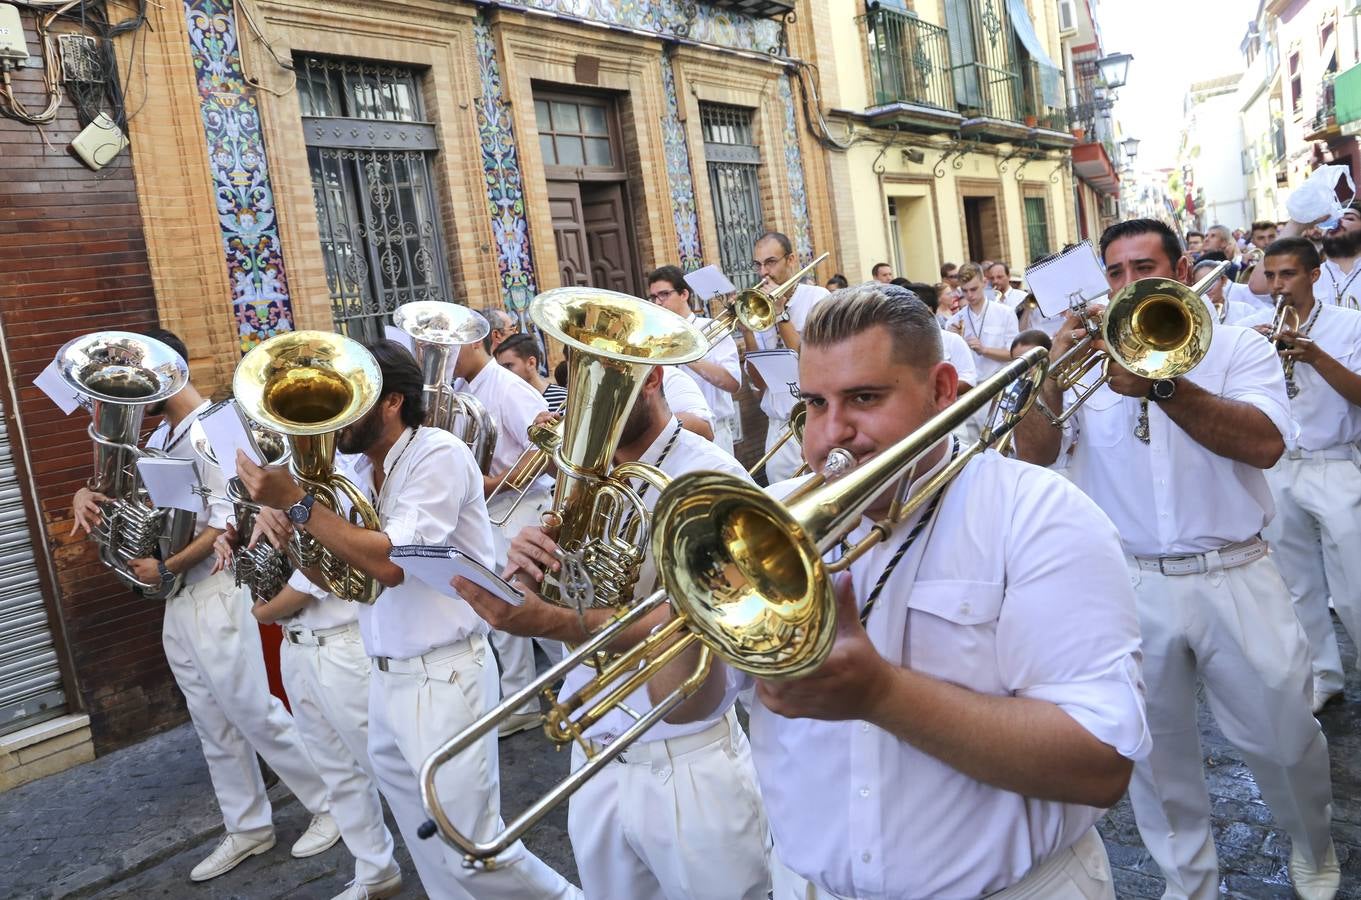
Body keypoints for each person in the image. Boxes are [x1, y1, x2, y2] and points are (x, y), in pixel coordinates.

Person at [648, 283, 1150, 899]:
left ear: (941, 391)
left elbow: (1099, 766)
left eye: (864, 398)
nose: (833, 433)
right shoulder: (757, 523)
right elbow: (684, 707)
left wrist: (881, 694)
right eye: (814, 403)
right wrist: (691, 592)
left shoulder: (1039, 515)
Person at [1014, 219, 1339, 900]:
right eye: (1115, 273)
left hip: (1236, 571)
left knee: (1285, 739)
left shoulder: (1236, 349)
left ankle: (1311, 842)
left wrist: (1164, 386)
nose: (1128, 285)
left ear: (1183, 268)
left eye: (1143, 268)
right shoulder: (1088, 364)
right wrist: (1047, 379)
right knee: (1152, 756)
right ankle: (1186, 882)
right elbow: (1034, 454)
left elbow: (1264, 447)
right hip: (1128, 581)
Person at [235, 341, 579, 900]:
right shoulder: (353, 467)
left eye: (351, 405)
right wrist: (281, 520)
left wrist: (301, 505)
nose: (336, 423)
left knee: (474, 849)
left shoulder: (438, 454)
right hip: (386, 673)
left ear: (393, 401)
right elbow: (332, 571)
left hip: (445, 676)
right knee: (431, 853)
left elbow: (392, 563)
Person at [456, 365, 772, 900]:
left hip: (686, 762)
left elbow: (702, 620)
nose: (582, 404)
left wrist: (552, 621)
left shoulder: (711, 478)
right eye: (578, 384)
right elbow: (575, 590)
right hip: (595, 750)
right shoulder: (588, 476)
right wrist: (535, 558)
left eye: (602, 383)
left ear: (650, 378)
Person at [70, 329, 336, 883]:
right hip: (180, 597)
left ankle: (330, 805)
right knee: (211, 720)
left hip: (217, 589)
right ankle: (247, 826)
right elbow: (143, 505)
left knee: (251, 709)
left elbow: (229, 521)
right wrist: (86, 496)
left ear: (169, 374)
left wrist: (166, 565)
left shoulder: (217, 425)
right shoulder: (164, 436)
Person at [1240, 237, 1361, 713]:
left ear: (1314, 275)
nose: (1277, 286)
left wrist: (1316, 357)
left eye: (1287, 275)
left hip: (1335, 466)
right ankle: (1323, 677)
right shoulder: (1260, 329)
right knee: (1297, 585)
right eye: (1270, 276)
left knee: (1354, 587)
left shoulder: (1349, 324)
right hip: (1282, 466)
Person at [244, 565, 403, 900]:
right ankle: (375, 869)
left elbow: (320, 572)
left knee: (390, 769)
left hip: (341, 644)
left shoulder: (315, 510)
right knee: (337, 773)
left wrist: (265, 610)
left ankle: (455, 869)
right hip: (295, 645)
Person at [452, 327, 558, 738]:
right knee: (502, 614)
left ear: (474, 342)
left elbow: (546, 448)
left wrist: (489, 484)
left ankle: (585, 679)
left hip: (519, 509)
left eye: (447, 347)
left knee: (539, 605)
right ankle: (522, 700)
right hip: (488, 514)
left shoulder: (507, 387)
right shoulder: (461, 387)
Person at [739, 231, 829, 481]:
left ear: (790, 260)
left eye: (770, 262)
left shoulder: (818, 298)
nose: (763, 273)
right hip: (777, 426)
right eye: (758, 264)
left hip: (814, 419)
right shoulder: (759, 307)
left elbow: (811, 360)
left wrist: (781, 315)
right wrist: (747, 333)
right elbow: (759, 383)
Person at [646, 265, 742, 453]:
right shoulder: (654, 337)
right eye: (653, 297)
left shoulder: (713, 328)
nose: (658, 302)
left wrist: (685, 354)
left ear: (684, 294)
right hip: (669, 437)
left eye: (664, 294)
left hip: (714, 435)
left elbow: (732, 383)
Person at [946, 263, 1018, 438]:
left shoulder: (1005, 313)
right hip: (969, 395)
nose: (969, 295)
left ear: (984, 282)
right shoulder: (954, 321)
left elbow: (1015, 354)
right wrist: (956, 342)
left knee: (1001, 444)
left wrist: (984, 349)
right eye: (964, 291)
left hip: (998, 389)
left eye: (974, 289)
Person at [1251, 200, 1361, 309]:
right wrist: (1295, 224)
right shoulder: (1306, 275)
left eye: (1349, 218)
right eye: (1332, 219)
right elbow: (1258, 287)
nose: (1337, 222)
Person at [905, 281, 975, 393]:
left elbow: (968, 380)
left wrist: (935, 391)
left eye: (909, 309)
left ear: (929, 310)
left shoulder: (952, 340)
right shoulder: (899, 342)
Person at [495, 332, 567, 412]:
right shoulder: (507, 404)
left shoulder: (564, 399)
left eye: (508, 366)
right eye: (500, 368)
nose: (503, 373)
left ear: (531, 363)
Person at [1194, 256, 1254, 324]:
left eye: (1211, 283)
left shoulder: (1244, 310)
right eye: (1200, 285)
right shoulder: (1194, 318)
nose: (1207, 290)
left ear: (1224, 280)